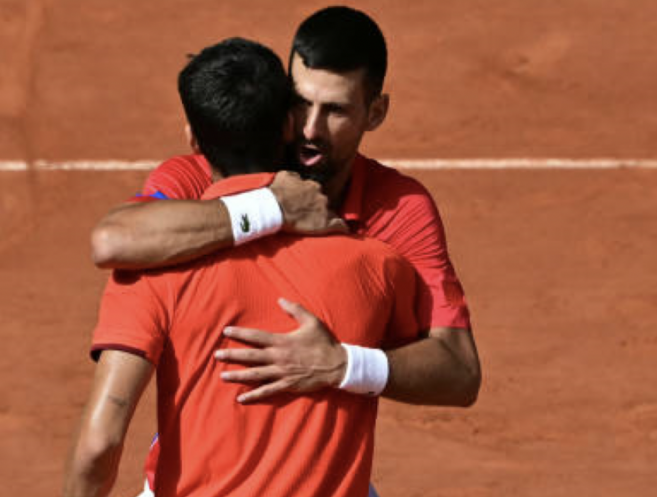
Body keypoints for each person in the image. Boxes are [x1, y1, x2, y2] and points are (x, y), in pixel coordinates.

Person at [64, 37, 419, 497]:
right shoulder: (378, 265)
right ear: (290, 125)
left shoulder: (150, 270)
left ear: (193, 138)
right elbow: (449, 371)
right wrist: (348, 364)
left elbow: (98, 445)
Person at [91, 6, 481, 406]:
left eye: (336, 110)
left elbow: (460, 372)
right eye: (300, 102)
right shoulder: (203, 174)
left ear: (375, 113)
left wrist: (344, 365)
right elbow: (114, 241)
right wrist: (272, 207)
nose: (310, 129)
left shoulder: (399, 209)